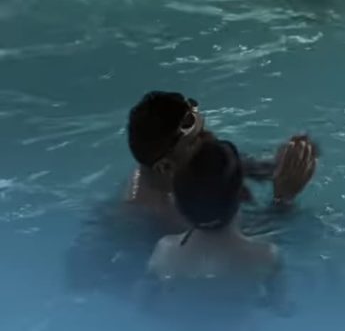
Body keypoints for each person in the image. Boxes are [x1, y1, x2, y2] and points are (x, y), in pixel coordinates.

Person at [125, 91, 318, 228]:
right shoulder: (165, 214)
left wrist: (281, 164)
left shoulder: (176, 169)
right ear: (165, 167)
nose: (211, 138)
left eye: (204, 129)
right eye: (196, 139)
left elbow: (232, 168)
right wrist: (283, 200)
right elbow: (242, 245)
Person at [148, 139, 277, 282]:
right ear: (243, 195)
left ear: (177, 202)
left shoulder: (165, 252)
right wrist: (283, 201)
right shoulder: (266, 257)